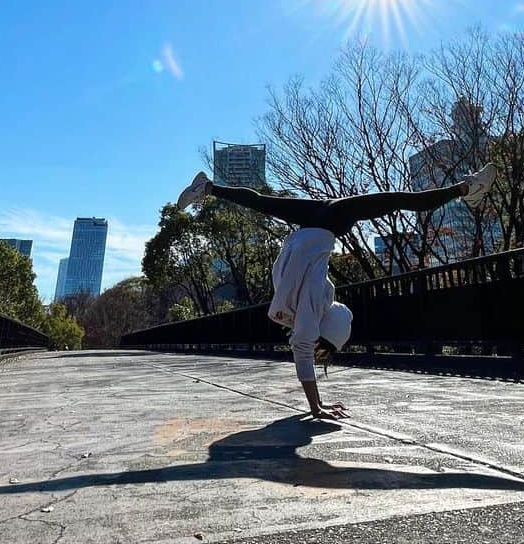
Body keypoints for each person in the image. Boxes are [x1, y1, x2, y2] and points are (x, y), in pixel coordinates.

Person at [176, 162, 497, 421]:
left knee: (403, 199)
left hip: (324, 223)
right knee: (264, 203)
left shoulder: (313, 302)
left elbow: (302, 350)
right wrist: (315, 407)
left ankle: (467, 188)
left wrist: (316, 408)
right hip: (315, 225)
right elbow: (303, 346)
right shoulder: (313, 300)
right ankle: (208, 187)